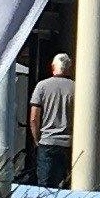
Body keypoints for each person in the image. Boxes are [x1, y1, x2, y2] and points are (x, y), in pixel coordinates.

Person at [26, 50, 75, 187]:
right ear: (69, 68)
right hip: (69, 145)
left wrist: (37, 140)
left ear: (53, 67)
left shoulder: (42, 86)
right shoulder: (76, 88)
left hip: (47, 142)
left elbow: (34, 118)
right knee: (67, 185)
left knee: (45, 186)